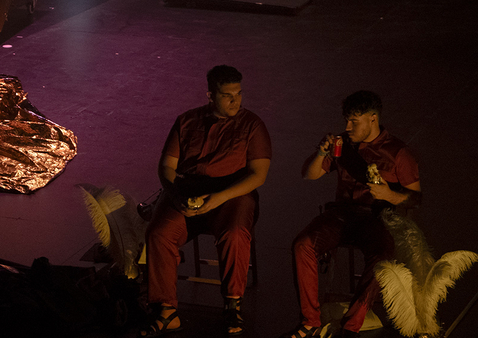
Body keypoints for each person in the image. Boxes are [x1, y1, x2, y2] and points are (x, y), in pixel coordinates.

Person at [140, 65, 271, 336]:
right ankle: (167, 310)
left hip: (231, 193)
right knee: (159, 234)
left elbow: (258, 175)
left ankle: (232, 304)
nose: (236, 101)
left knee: (235, 233)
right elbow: (166, 166)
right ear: (210, 95)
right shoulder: (187, 121)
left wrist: (218, 198)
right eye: (227, 96)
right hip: (188, 191)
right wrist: (175, 196)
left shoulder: (252, 124)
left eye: (238, 94)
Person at [281, 91, 421, 338]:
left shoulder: (398, 152)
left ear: (373, 118)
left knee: (382, 258)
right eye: (346, 120)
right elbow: (309, 174)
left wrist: (389, 194)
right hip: (341, 214)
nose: (347, 127)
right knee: (302, 245)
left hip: (377, 218)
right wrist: (321, 152)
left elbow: (416, 198)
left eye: (354, 121)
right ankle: (310, 321)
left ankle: (351, 326)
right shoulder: (342, 145)